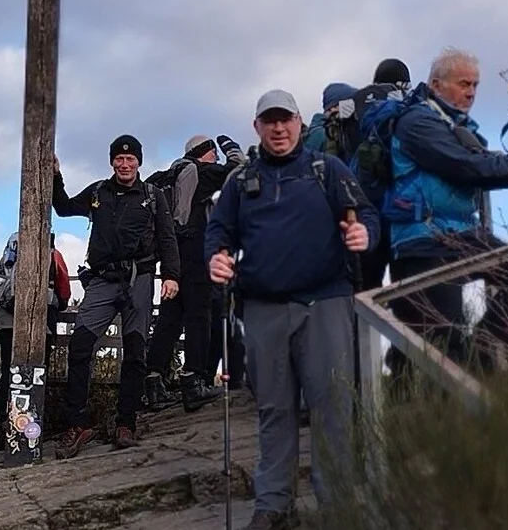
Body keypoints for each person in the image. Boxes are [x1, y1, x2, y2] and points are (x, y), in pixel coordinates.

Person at [206, 89, 379, 530]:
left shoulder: (329, 170)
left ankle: (336, 503)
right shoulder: (240, 182)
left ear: (300, 123)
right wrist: (217, 257)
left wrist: (365, 236)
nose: (279, 128)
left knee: (333, 406)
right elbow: (218, 232)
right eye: (270, 121)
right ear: (257, 127)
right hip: (263, 308)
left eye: (286, 120)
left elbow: (367, 216)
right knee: (274, 409)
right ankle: (273, 505)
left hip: (326, 301)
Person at [383, 48, 508, 375]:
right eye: (463, 83)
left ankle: (479, 362)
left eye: (476, 85)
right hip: (424, 240)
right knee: (439, 342)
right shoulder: (417, 121)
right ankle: (436, 398)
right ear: (437, 85)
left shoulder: (452, 123)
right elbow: (465, 166)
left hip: (459, 235)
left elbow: (481, 163)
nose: (470, 92)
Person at [51, 134, 181, 458]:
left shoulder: (152, 196)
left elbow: (167, 237)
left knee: (135, 353)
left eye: (130, 159)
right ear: (112, 162)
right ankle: (78, 424)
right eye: (119, 159)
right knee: (80, 346)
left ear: (139, 162)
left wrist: (172, 277)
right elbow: (64, 208)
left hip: (140, 277)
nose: (124, 164)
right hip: (102, 280)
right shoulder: (98, 192)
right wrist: (55, 176)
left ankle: (126, 423)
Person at [144, 133, 245, 411]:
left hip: (170, 254)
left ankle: (154, 383)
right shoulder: (204, 171)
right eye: (212, 151)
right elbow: (238, 170)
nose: (215, 155)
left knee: (169, 318)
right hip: (195, 249)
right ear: (207, 152)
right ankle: (194, 381)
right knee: (199, 314)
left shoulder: (163, 176)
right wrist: (230, 146)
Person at [0, 231, 72, 447]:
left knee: (10, 373)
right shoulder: (54, 255)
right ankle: (32, 431)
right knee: (36, 376)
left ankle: (4, 428)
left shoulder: (9, 256)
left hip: (8, 323)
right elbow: (64, 294)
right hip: (43, 324)